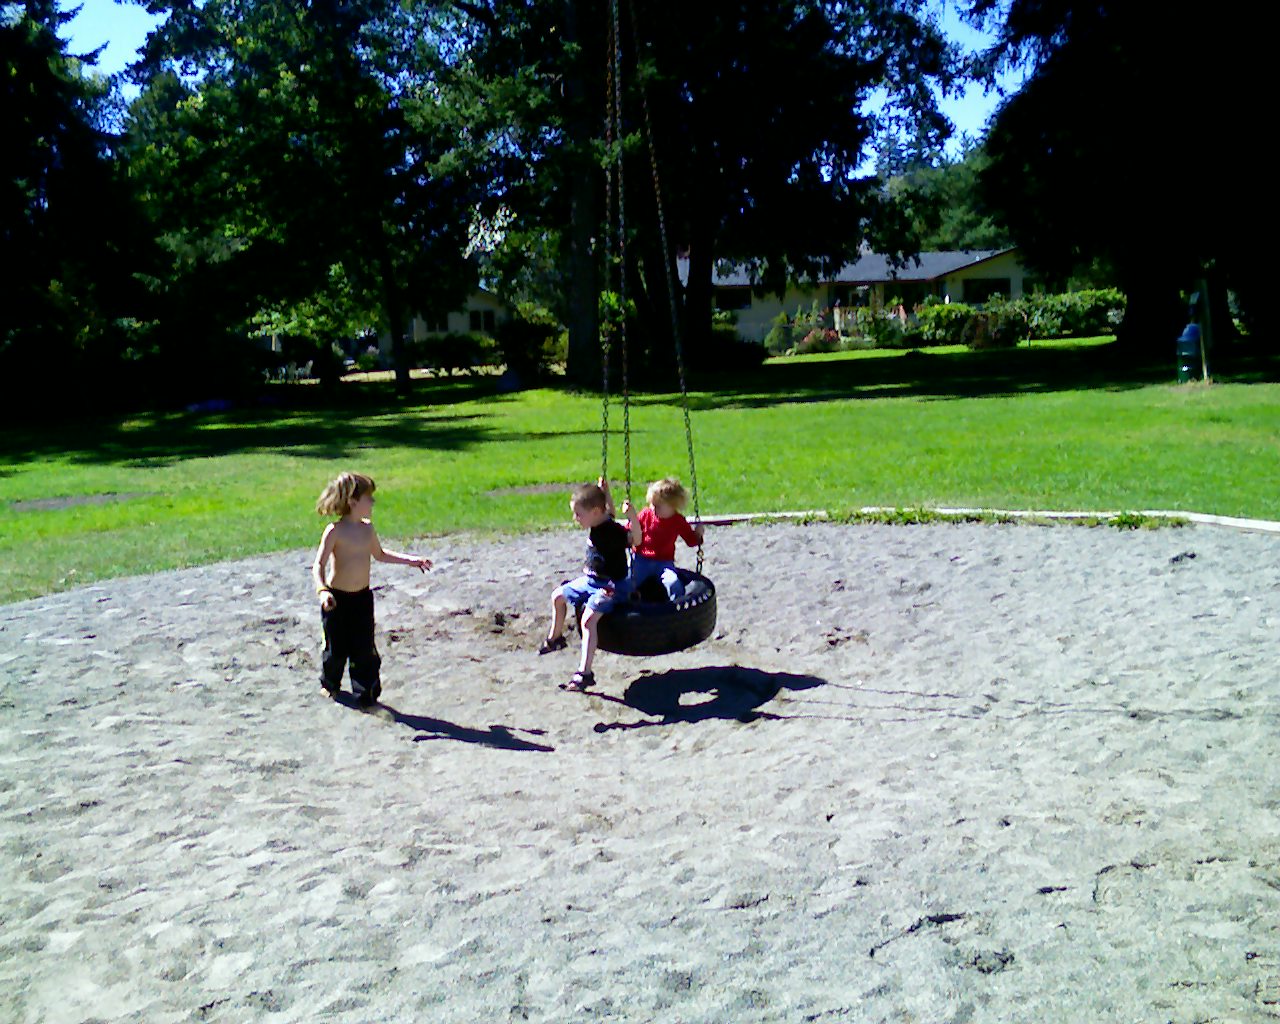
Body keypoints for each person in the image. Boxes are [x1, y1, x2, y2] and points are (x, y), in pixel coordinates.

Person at [312, 472, 431, 706]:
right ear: (353, 502)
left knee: (364, 648)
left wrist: (411, 560)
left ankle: (366, 693)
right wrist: (322, 590)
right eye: (369, 498)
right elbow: (318, 565)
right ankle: (330, 683)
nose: (373, 502)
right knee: (336, 648)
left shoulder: (367, 529)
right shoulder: (335, 531)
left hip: (362, 599)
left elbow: (380, 554)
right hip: (337, 600)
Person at [538, 478, 638, 691]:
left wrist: (633, 517)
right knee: (558, 596)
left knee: (588, 620)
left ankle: (585, 673)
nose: (575, 518)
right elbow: (609, 511)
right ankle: (555, 639)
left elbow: (635, 540)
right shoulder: (599, 520)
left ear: (594, 512)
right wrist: (606, 492)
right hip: (591, 580)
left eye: (578, 514)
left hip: (611, 586)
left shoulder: (614, 531)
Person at [624, 476, 705, 601]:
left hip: (664, 563)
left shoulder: (678, 521)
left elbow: (691, 540)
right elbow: (628, 530)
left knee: (673, 583)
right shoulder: (646, 514)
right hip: (641, 559)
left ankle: (678, 605)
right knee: (628, 581)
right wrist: (628, 532)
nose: (653, 508)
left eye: (657, 506)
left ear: (672, 506)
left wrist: (698, 534)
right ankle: (622, 603)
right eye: (652, 504)